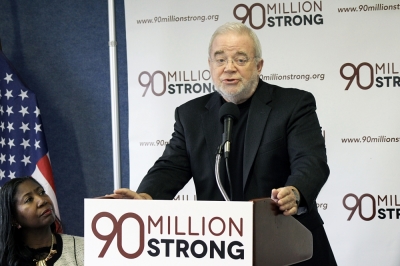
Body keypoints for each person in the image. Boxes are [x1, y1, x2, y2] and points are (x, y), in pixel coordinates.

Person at [109, 22, 336, 265]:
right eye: (220, 60)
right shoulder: (190, 115)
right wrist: (147, 196)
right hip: (223, 247)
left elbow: (311, 160)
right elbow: (170, 167)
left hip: (289, 244)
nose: (229, 68)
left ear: (259, 66)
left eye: (240, 59)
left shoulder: (292, 104)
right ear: (210, 66)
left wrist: (295, 191)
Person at [0, 176, 84, 266]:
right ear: (14, 219)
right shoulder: (4, 260)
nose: (42, 200)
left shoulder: (84, 247)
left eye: (42, 192)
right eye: (29, 199)